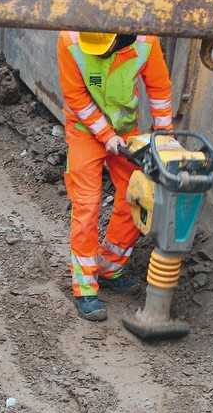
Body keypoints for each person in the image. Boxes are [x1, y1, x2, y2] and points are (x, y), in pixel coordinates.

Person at [57, 31, 174, 321]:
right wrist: (105, 135)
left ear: (123, 38)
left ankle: (109, 267)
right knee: (87, 204)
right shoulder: (70, 39)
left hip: (126, 132)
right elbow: (75, 96)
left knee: (138, 194)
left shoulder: (146, 41)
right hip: (85, 132)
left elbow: (158, 89)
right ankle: (85, 288)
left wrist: (164, 138)